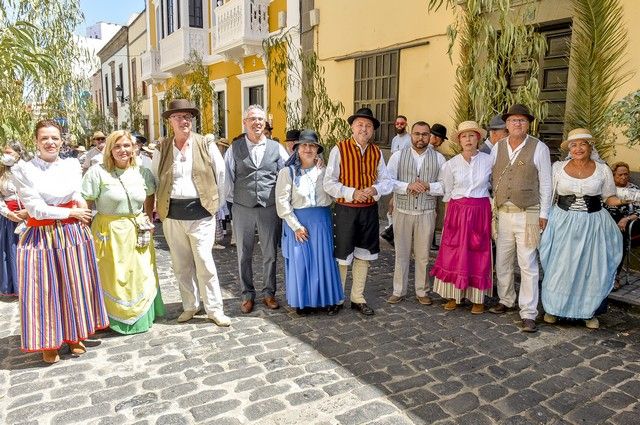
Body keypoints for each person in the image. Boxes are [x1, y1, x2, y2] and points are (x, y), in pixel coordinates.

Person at [12, 119, 109, 363]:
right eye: (44, 138)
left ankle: (75, 334)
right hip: (42, 235)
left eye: (54, 138)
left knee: (74, 283)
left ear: (61, 140)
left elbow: (76, 193)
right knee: (44, 288)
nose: (50, 142)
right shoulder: (24, 170)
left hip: (71, 232)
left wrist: (80, 205)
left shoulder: (71, 165)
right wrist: (72, 213)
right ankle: (49, 341)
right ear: (36, 141)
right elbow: (36, 209)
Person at [152, 99, 230, 327]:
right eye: (178, 117)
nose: (183, 121)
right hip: (173, 214)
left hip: (201, 213)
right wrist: (160, 205)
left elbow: (221, 173)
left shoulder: (206, 143)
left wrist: (217, 204)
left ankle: (214, 308)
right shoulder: (163, 147)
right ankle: (190, 305)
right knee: (181, 264)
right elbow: (156, 177)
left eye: (187, 117)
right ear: (170, 121)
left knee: (205, 262)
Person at [540, 129, 627, 329]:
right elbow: (548, 195)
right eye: (574, 144)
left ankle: (587, 312)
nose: (578, 148)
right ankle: (554, 309)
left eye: (582, 144)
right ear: (569, 148)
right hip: (563, 221)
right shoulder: (558, 168)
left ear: (590, 147)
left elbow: (609, 197)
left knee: (590, 268)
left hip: (593, 223)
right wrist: (543, 217)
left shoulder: (602, 169)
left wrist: (626, 198)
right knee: (559, 266)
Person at [81, 130, 165, 334]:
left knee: (141, 273)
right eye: (117, 146)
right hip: (108, 231)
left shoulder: (142, 172)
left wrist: (147, 217)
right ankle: (110, 318)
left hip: (137, 230)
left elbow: (149, 195)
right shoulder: (97, 172)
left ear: (134, 148)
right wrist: (85, 229)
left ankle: (141, 317)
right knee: (112, 276)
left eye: (127, 145)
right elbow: (86, 201)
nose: (122, 150)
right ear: (109, 149)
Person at [323, 107, 393, 316]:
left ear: (372, 130)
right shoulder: (339, 149)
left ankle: (357, 297)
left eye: (368, 126)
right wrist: (353, 192)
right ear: (352, 127)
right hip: (346, 210)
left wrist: (375, 189)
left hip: (368, 212)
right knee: (342, 255)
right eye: (360, 125)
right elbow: (329, 183)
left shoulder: (376, 152)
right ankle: (337, 297)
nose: (364, 129)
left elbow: (386, 181)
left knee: (364, 255)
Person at [488, 104, 552, 333]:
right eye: (514, 120)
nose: (518, 124)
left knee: (528, 263)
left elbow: (546, 183)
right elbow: (487, 178)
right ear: (506, 124)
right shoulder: (497, 148)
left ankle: (528, 312)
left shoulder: (539, 148)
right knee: (503, 261)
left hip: (529, 215)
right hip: (502, 215)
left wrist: (544, 214)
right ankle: (506, 299)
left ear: (528, 124)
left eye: (522, 121)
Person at [224, 105, 289, 314]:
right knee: (244, 253)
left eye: (260, 119)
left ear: (265, 123)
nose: (257, 122)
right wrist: (238, 202)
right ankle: (247, 294)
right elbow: (227, 179)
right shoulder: (234, 148)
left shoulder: (276, 148)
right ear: (245, 123)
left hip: (268, 208)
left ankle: (269, 293)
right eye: (252, 119)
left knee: (270, 252)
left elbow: (286, 175)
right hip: (242, 207)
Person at [276, 130, 344, 314]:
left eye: (312, 146)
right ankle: (303, 302)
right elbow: (282, 203)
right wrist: (296, 227)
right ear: (297, 149)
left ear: (317, 150)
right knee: (302, 262)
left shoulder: (325, 171)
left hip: (322, 221)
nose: (308, 149)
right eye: (304, 145)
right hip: (298, 222)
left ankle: (327, 300)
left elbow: (335, 193)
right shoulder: (287, 172)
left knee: (324, 261)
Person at [430, 121, 493, 314]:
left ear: (478, 139)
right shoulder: (451, 165)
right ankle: (453, 295)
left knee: (478, 252)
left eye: (472, 136)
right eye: (464, 136)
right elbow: (447, 192)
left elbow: (493, 185)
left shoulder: (489, 160)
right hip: (457, 210)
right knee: (454, 252)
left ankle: (477, 298)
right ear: (459, 140)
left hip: (480, 210)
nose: (468, 139)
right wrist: (449, 219)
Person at [386, 121, 445, 305]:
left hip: (426, 212)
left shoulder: (439, 159)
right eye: (417, 134)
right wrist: (407, 186)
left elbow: (444, 186)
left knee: (423, 255)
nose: (421, 137)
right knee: (401, 254)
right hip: (402, 210)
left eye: (425, 134)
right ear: (411, 135)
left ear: (430, 137)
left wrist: (428, 186)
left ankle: (422, 291)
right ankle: (399, 290)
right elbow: (388, 181)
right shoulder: (397, 156)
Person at [0, 141, 29, 296]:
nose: (6, 156)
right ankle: (14, 287)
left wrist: (28, 211)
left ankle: (30, 286)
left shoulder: (27, 169)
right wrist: (8, 213)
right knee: (10, 252)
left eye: (10, 152)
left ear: (18, 153)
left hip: (28, 217)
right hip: (8, 219)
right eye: (5, 152)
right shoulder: (1, 172)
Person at [606, 162, 640, 290]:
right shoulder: (607, 190)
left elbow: (639, 210)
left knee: (620, 237)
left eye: (626, 174)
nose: (624, 177)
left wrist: (626, 219)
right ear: (613, 176)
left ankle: (615, 276)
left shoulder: (634, 190)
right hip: (608, 223)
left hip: (631, 223)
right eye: (620, 174)